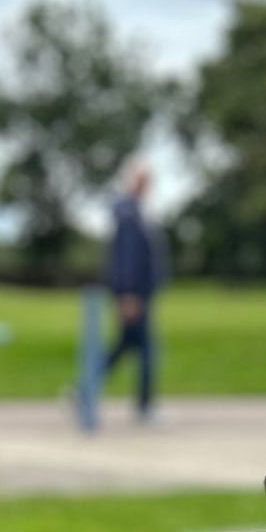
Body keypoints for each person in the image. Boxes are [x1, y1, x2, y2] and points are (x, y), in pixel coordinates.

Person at [93, 161, 166, 416]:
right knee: (147, 352)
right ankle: (144, 408)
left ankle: (83, 392)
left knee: (124, 348)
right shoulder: (128, 214)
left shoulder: (138, 212)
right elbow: (127, 259)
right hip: (134, 296)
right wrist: (128, 295)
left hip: (140, 294)